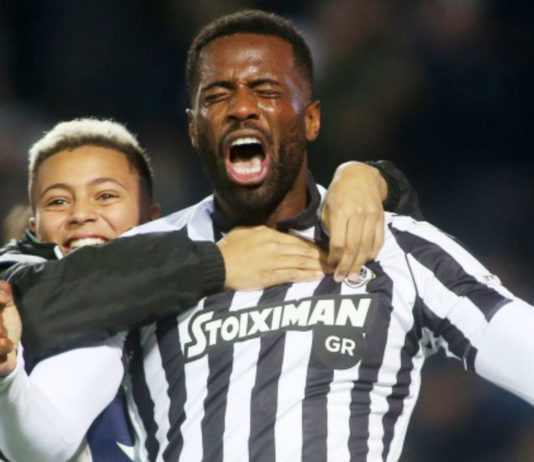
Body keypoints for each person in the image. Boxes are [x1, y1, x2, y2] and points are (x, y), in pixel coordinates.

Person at [2, 9, 530, 462]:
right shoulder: (142, 262)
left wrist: (371, 175)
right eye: (218, 95)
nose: (242, 107)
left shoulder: (397, 247)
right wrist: (6, 376)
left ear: (311, 120)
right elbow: (41, 442)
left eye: (266, 90)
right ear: (194, 128)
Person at [0, 115, 416, 462]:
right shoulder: (21, 277)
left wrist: (371, 180)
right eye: (57, 202)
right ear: (33, 225)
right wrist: (213, 264)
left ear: (154, 218)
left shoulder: (216, 274)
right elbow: (37, 299)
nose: (81, 214)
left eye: (106, 196)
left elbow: (389, 248)